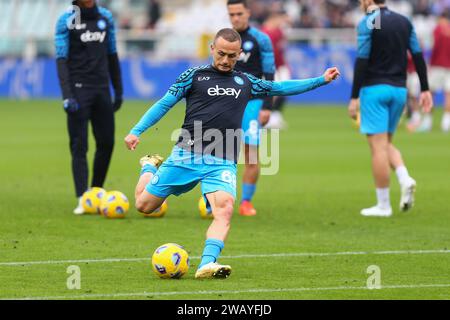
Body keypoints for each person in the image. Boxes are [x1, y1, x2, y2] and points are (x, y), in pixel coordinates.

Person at [124, 28, 340, 279]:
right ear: (212, 49)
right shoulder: (192, 76)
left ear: (239, 54)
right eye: (222, 54)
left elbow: (281, 87)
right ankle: (149, 166)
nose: (226, 61)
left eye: (232, 56)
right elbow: (163, 104)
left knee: (224, 209)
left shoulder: (246, 82)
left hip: (222, 161)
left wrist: (320, 79)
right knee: (144, 205)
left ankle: (207, 263)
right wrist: (136, 131)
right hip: (186, 154)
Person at [348, 0, 433, 217]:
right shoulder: (404, 21)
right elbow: (417, 55)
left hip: (375, 90)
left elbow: (362, 60)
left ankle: (383, 205)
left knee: (377, 147)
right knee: (385, 143)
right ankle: (404, 178)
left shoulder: (369, 21)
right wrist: (425, 89)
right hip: (399, 91)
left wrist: (354, 96)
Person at [55, 0, 123, 214]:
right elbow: (61, 59)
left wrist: (118, 89)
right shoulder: (65, 20)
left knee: (107, 142)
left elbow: (112, 53)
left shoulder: (106, 17)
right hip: (78, 90)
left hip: (102, 89)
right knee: (79, 145)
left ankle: (96, 191)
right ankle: (82, 198)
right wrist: (67, 95)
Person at [227, 0, 276, 217]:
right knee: (217, 151)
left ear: (248, 12)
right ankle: (215, 199)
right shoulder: (224, 40)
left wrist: (267, 106)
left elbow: (270, 74)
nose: (235, 18)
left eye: (239, 13)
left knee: (251, 154)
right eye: (231, 14)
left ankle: (246, 201)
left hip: (253, 102)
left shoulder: (260, 39)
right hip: (226, 101)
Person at [417, 10, 450, 132]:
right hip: (449, 66)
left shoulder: (437, 30)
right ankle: (446, 123)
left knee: (430, 94)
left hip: (437, 65)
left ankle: (427, 121)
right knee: (448, 95)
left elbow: (433, 47)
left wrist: (430, 63)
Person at [261, 9, 291, 129]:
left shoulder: (279, 32)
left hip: (281, 66)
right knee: (272, 92)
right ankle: (269, 116)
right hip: (271, 67)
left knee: (284, 90)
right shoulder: (264, 33)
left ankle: (276, 115)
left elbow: (281, 50)